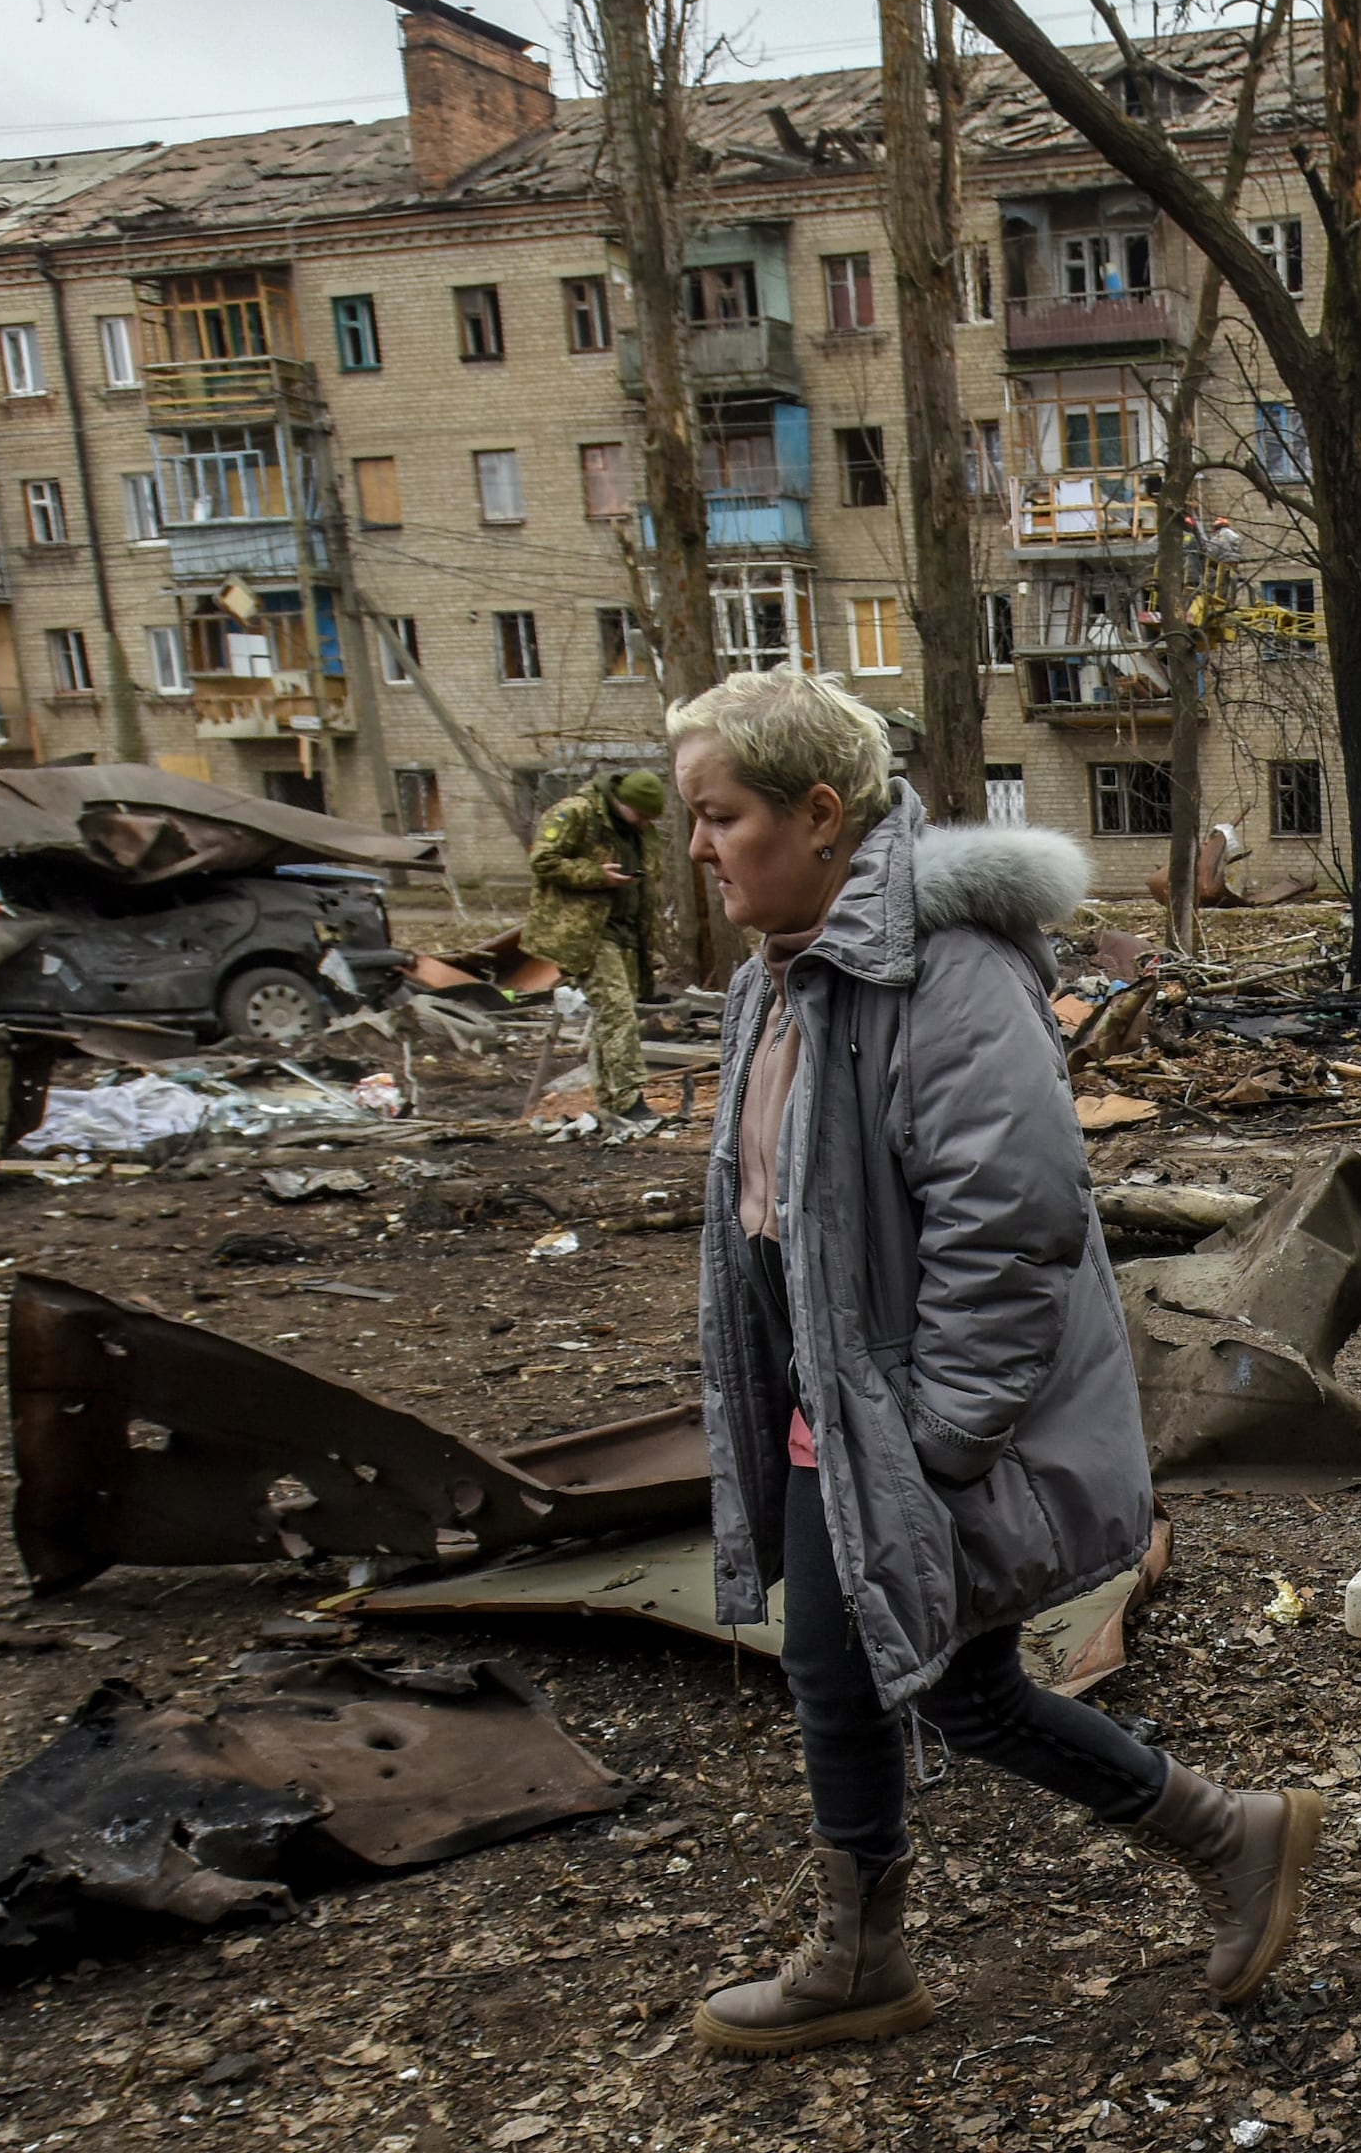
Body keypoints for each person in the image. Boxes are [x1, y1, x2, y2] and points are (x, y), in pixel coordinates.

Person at [673, 668, 1319, 2053]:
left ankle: (1202, 1844)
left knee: (912, 1680)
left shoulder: (946, 972)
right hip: (833, 1416)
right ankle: (899, 1941)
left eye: (720, 815)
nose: (699, 847)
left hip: (910, 1421)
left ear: (822, 814)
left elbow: (1014, 1222)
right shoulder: (779, 980)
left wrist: (940, 1442)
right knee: (873, 1676)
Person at [526, 768, 666, 1133]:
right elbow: (542, 859)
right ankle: (629, 1101)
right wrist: (594, 874)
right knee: (617, 1010)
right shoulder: (576, 813)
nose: (647, 822)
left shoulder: (638, 830)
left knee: (615, 1016)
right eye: (643, 814)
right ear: (622, 803)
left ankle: (610, 1100)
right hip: (586, 931)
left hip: (626, 931)